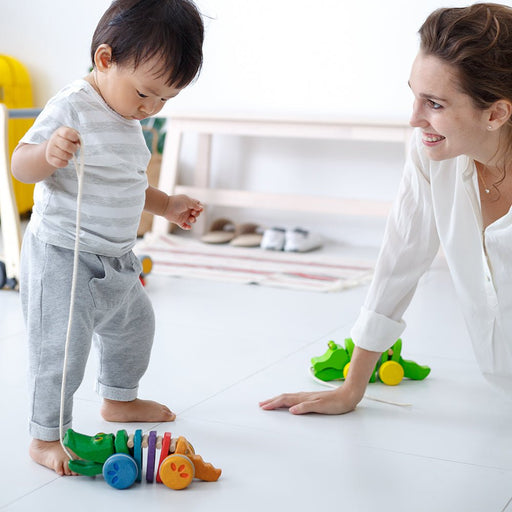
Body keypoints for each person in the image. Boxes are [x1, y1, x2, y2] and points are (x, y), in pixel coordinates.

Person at [260, 3, 512, 415]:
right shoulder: (433, 154)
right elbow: (401, 257)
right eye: (413, 95)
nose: (414, 118)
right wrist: (351, 387)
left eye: (434, 104)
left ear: (496, 113)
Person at [11, 0, 204, 475]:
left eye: (165, 100)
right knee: (61, 349)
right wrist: (49, 155)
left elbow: (130, 183)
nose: (151, 108)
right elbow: (20, 163)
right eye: (145, 93)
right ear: (104, 59)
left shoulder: (131, 121)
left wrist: (167, 205)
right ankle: (45, 435)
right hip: (63, 253)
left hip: (117, 256)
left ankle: (119, 399)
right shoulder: (72, 105)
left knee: (134, 328)